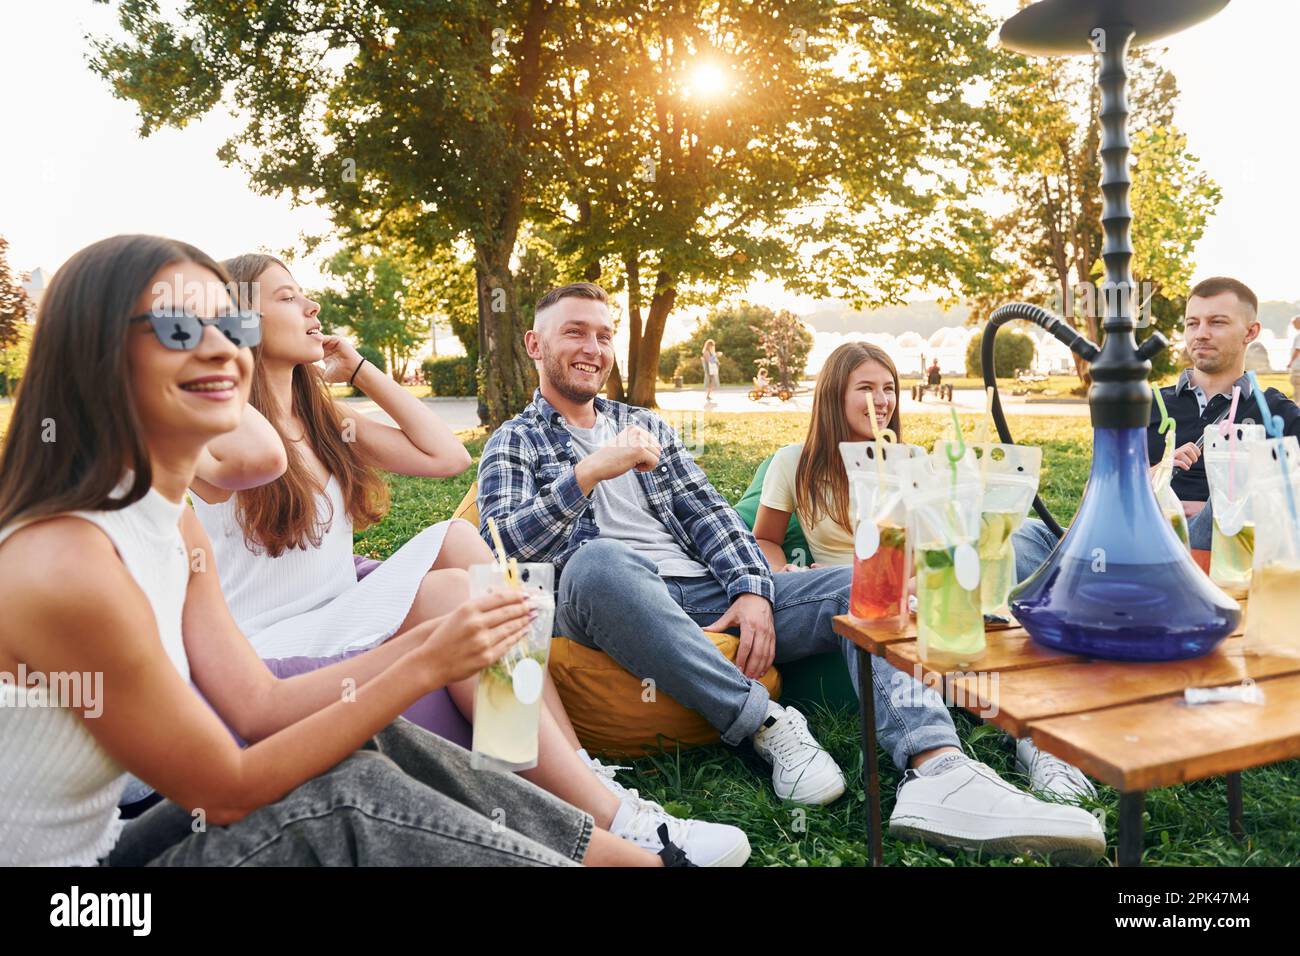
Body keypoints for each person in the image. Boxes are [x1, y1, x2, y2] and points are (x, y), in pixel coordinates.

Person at [0, 235, 676, 867]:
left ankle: (635, 856)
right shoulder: (65, 564)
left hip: (113, 840)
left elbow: (260, 708)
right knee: (338, 801)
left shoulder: (173, 521)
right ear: (96, 355)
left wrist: (431, 650)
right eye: (180, 327)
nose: (218, 348)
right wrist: (428, 659)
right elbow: (229, 790)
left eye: (229, 327)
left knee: (365, 742)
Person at [477, 282, 1105, 863]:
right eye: (574, 333)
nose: (592, 348)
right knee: (599, 560)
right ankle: (768, 724)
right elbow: (504, 548)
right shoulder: (514, 440)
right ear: (535, 344)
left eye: (603, 335)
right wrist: (590, 471)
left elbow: (715, 521)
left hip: (704, 592)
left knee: (865, 585)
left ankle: (936, 767)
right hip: (608, 596)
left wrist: (751, 591)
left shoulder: (646, 427)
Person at [185, 253, 748, 866]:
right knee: (460, 595)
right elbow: (253, 463)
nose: (313, 307)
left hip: (342, 602)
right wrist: (235, 367)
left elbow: (446, 456)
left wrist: (362, 371)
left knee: (458, 546)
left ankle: (572, 769)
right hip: (276, 635)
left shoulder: (325, 420)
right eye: (290, 298)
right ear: (238, 319)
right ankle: (611, 819)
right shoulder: (214, 424)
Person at [750, 341, 1095, 803]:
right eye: (866, 388)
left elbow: (929, 541)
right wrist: (788, 569)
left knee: (1023, 542)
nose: (882, 400)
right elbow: (764, 538)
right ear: (834, 395)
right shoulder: (795, 461)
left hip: (915, 582)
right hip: (850, 596)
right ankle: (943, 763)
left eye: (889, 388)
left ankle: (1037, 738)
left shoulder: (910, 460)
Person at [1143, 278, 1300, 548]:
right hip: (1150, 531)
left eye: (1217, 322)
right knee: (1042, 532)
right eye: (1192, 323)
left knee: (1226, 503)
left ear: (1250, 333)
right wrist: (1159, 474)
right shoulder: (1148, 405)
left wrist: (1228, 506)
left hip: (1228, 544)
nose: (1200, 333)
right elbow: (1099, 495)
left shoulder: (1275, 412)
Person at [1288, 315, 1300, 401]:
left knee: (1297, 386)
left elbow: (1298, 349)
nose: (1293, 326)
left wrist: (1291, 362)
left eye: (1294, 324)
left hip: (1298, 366)